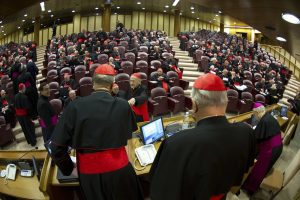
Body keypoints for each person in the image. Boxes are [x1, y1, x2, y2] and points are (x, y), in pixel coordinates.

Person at [150, 73, 256, 200]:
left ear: (194, 104)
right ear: (226, 102)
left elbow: (160, 191)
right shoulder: (246, 132)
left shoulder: (175, 143)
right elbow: (247, 169)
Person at [46, 64, 144, 200]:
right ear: (112, 85)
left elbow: (55, 147)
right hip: (120, 170)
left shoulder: (74, 106)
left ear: (93, 84)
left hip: (89, 175)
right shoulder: (123, 105)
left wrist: (69, 168)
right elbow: (129, 140)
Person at [242, 103, 283, 195]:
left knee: (259, 168)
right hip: (276, 146)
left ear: (257, 112)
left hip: (271, 150)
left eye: (254, 113)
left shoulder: (264, 121)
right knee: (262, 168)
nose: (254, 115)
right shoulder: (267, 116)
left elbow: (256, 138)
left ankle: (250, 188)